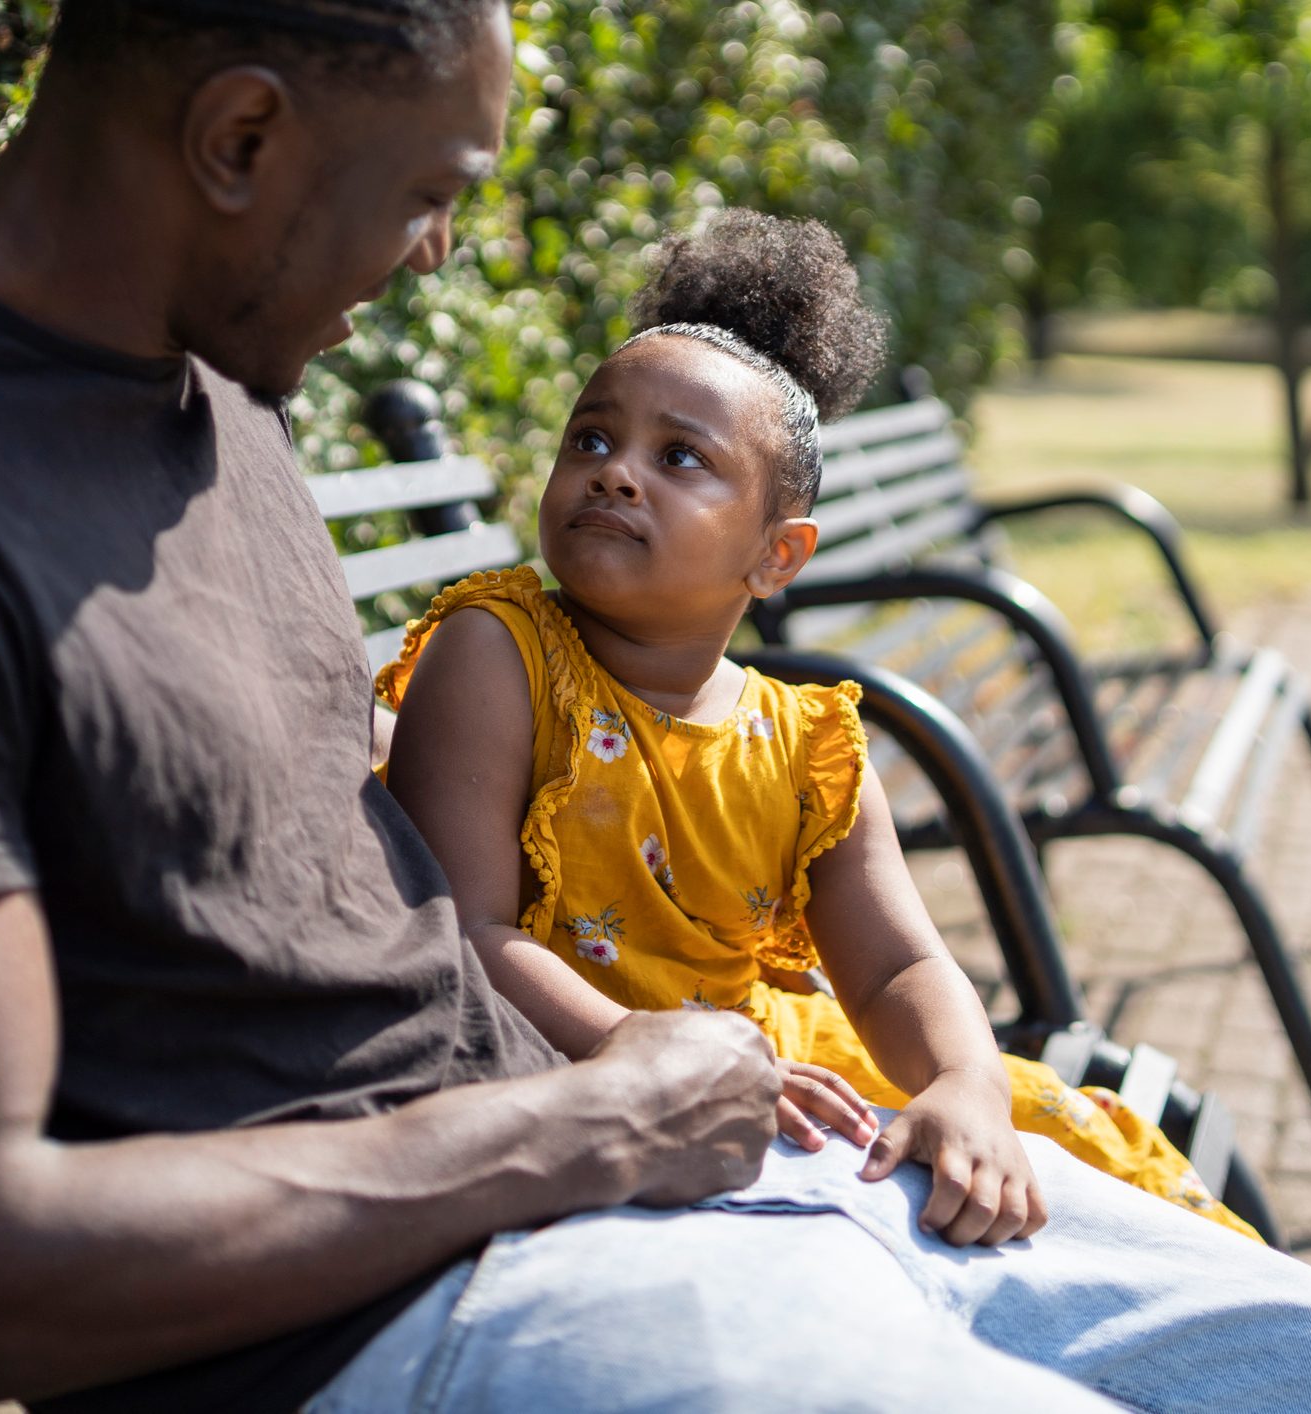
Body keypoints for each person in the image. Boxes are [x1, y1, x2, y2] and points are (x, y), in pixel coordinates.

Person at [0, 2, 1311, 1410]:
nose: (430, 259)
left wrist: (648, 1114)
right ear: (240, 135)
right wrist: (586, 1123)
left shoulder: (214, 400)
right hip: (390, 1306)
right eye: (425, 197)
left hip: (638, 1180)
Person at [377, 209, 1258, 1244]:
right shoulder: (497, 651)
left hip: (763, 1056)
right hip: (571, 1070)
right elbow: (467, 932)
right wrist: (637, 1043)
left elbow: (897, 971)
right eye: (594, 439)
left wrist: (965, 1080)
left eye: (681, 458)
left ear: (777, 556)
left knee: (1064, 1134)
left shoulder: (804, 746)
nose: (618, 470)